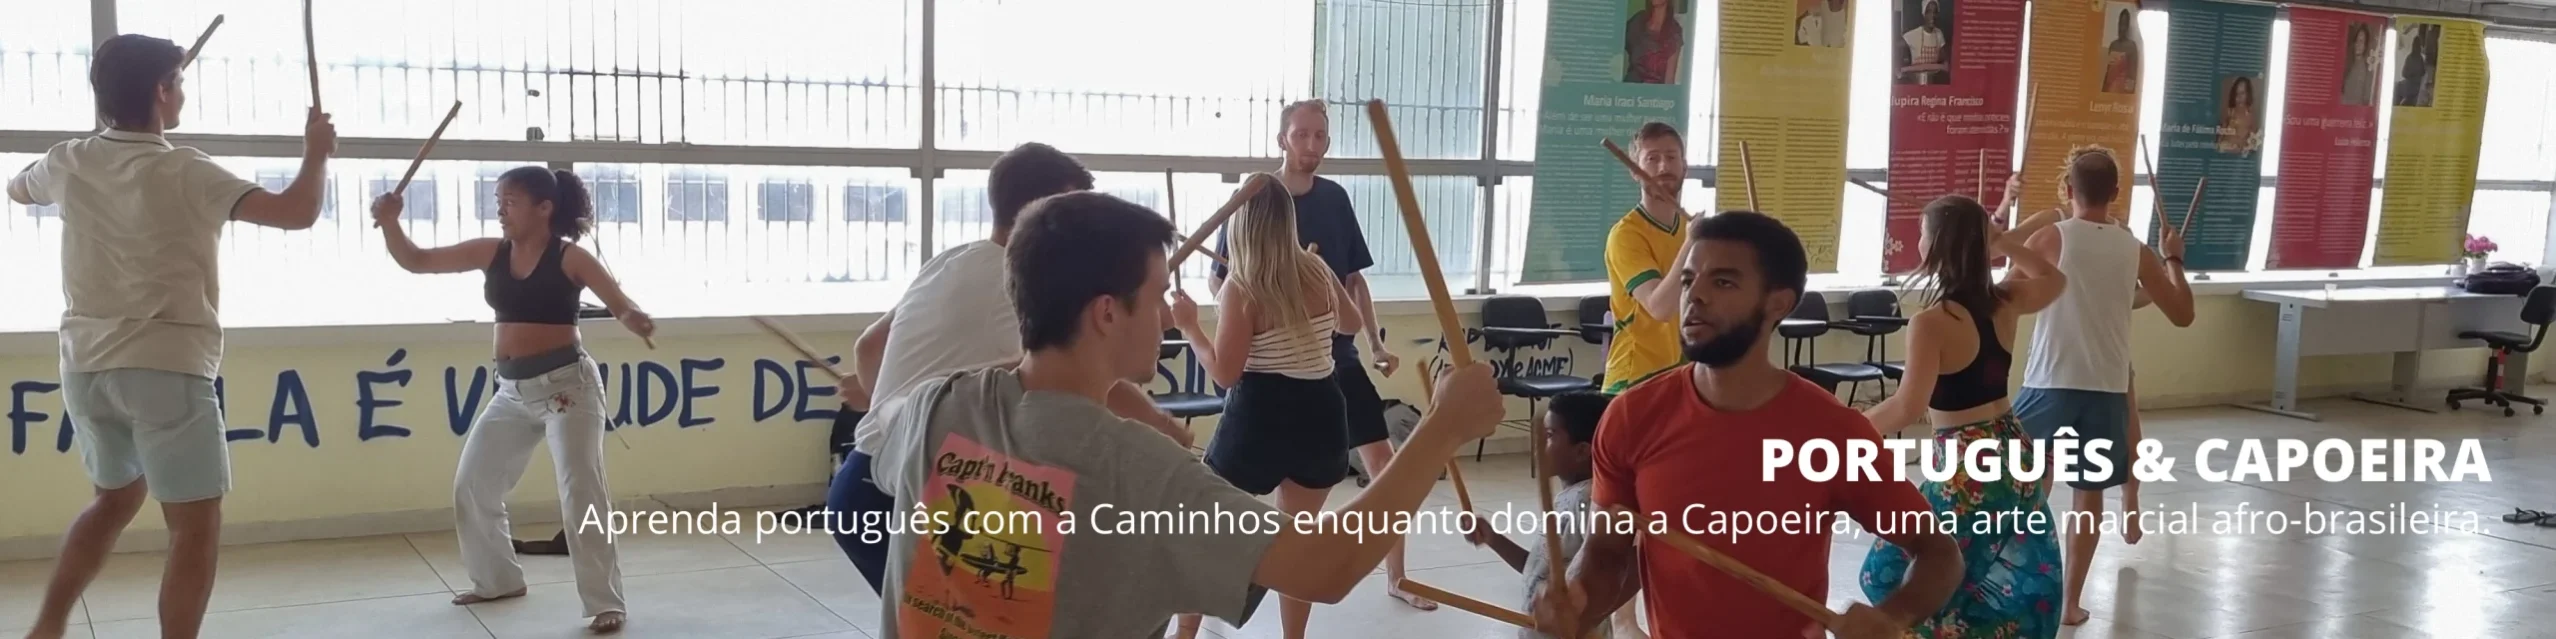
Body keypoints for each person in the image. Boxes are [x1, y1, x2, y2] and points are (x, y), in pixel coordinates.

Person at [863, 191, 1505, 638]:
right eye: (1154, 297)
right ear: (1107, 313)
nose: (1169, 314)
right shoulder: (1144, 475)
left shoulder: (934, 408)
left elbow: (886, 393)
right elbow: (1327, 566)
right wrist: (1442, 426)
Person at [8, 34, 336, 639]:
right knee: (193, 524)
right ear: (161, 92)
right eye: (178, 83)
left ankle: (48, 625)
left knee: (113, 500)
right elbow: (297, 212)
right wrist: (316, 153)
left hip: (85, 368)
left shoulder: (68, 160)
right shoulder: (186, 168)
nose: (182, 92)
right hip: (166, 366)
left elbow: (16, 187)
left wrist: (79, 157)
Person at [1531, 212, 1963, 639]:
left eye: (1723, 282)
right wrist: (1581, 599)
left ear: (1778, 302)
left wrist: (1893, 615)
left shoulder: (1834, 432)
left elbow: (1939, 554)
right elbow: (1608, 554)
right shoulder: (1631, 417)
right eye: (1686, 280)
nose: (1694, 296)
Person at [829, 142, 1188, 594]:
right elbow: (1082, 370)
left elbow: (868, 348)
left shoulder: (952, 260)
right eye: (1070, 212)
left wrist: (884, 404)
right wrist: (1163, 426)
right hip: (908, 495)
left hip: (858, 485)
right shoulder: (1019, 284)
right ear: (1039, 213)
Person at [371, 166, 650, 634]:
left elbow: (619, 302)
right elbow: (418, 261)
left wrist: (634, 317)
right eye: (498, 199)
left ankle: (605, 601)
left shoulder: (570, 257)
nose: (500, 208)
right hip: (512, 391)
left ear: (545, 208)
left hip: (568, 388)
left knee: (581, 491)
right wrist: (393, 222)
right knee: (473, 484)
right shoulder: (492, 252)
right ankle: (498, 579)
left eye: (511, 200)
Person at [1212, 100, 1433, 613]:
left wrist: (1375, 343)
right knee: (1245, 503)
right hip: (1268, 368)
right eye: (1303, 135)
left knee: (1384, 463)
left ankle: (1397, 576)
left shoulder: (1334, 199)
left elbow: (1353, 281)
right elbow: (1222, 276)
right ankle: (1210, 604)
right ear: (1282, 140)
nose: (1313, 145)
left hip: (1333, 358)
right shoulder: (1256, 196)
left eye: (1321, 136)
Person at [1856, 181, 2069, 639]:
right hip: (2014, 450)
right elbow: (2057, 280)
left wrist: (1843, 430)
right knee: (1981, 578)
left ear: (1936, 245)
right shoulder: (2005, 301)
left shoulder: (1932, 322)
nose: (1917, 242)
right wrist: (2003, 242)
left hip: (1967, 467)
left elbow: (1906, 405)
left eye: (1921, 234)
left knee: (1887, 575)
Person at [1173, 173, 1365, 639]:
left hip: (1259, 416)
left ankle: (1184, 635)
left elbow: (1224, 374)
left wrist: (1189, 327)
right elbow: (1352, 322)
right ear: (1287, 220)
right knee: (1296, 542)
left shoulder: (1243, 286)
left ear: (1241, 224)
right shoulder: (1316, 269)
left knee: (1206, 533)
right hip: (1321, 411)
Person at [2015, 146, 2195, 626]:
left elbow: (2005, 295)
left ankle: (2017, 586)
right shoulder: (2134, 249)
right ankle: (2070, 603)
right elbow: (2182, 313)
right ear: (2117, 193)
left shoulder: (2050, 238)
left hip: (2050, 380)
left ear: (2067, 190)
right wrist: (2173, 259)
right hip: (2107, 387)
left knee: (2021, 486)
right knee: (2087, 492)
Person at [1462, 391, 1646, 639]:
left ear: (1582, 451)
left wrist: (1583, 618)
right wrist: (1494, 540)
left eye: (1549, 436)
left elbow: (1632, 565)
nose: (1537, 445)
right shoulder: (1568, 499)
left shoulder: (1589, 500)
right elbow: (1541, 571)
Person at [1603, 122, 1690, 394]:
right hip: (1634, 380)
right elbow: (1659, 307)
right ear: (1634, 170)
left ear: (1684, 166)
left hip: (1679, 373)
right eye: (1652, 159)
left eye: (1671, 157)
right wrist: (1693, 244)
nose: (1663, 167)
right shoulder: (1626, 235)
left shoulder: (1688, 231)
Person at [1623, 0, 1686, 84]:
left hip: (1652, 92)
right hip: (1628, 88)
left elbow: (1669, 80)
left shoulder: (1673, 32)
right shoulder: (1638, 21)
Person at [1900, 0, 1949, 84]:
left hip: (1934, 81)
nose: (1932, 16)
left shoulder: (1939, 34)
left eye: (1935, 12)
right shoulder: (1914, 34)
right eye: (1928, 12)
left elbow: (1945, 59)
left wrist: (1943, 65)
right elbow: (1895, 48)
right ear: (1923, 14)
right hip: (1915, 81)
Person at [2101, 8, 2141, 94]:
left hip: (2123, 92)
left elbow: (2132, 74)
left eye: (2124, 24)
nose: (2121, 28)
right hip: (2110, 90)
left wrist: (2127, 95)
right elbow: (2108, 72)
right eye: (2120, 24)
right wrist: (2103, 91)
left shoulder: (2131, 46)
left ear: (2127, 26)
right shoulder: (2113, 45)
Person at [2217, 77, 2258, 155]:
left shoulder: (2251, 115)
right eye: (2237, 94)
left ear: (2248, 94)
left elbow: (2253, 140)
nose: (2239, 97)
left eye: (2242, 93)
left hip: (2240, 152)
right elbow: (2221, 134)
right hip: (2225, 149)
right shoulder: (2230, 112)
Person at [2341, 25, 2378, 106]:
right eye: (2357, 40)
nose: (2358, 44)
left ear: (2365, 46)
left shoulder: (2365, 70)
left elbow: (2365, 99)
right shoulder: (2348, 63)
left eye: (2361, 41)